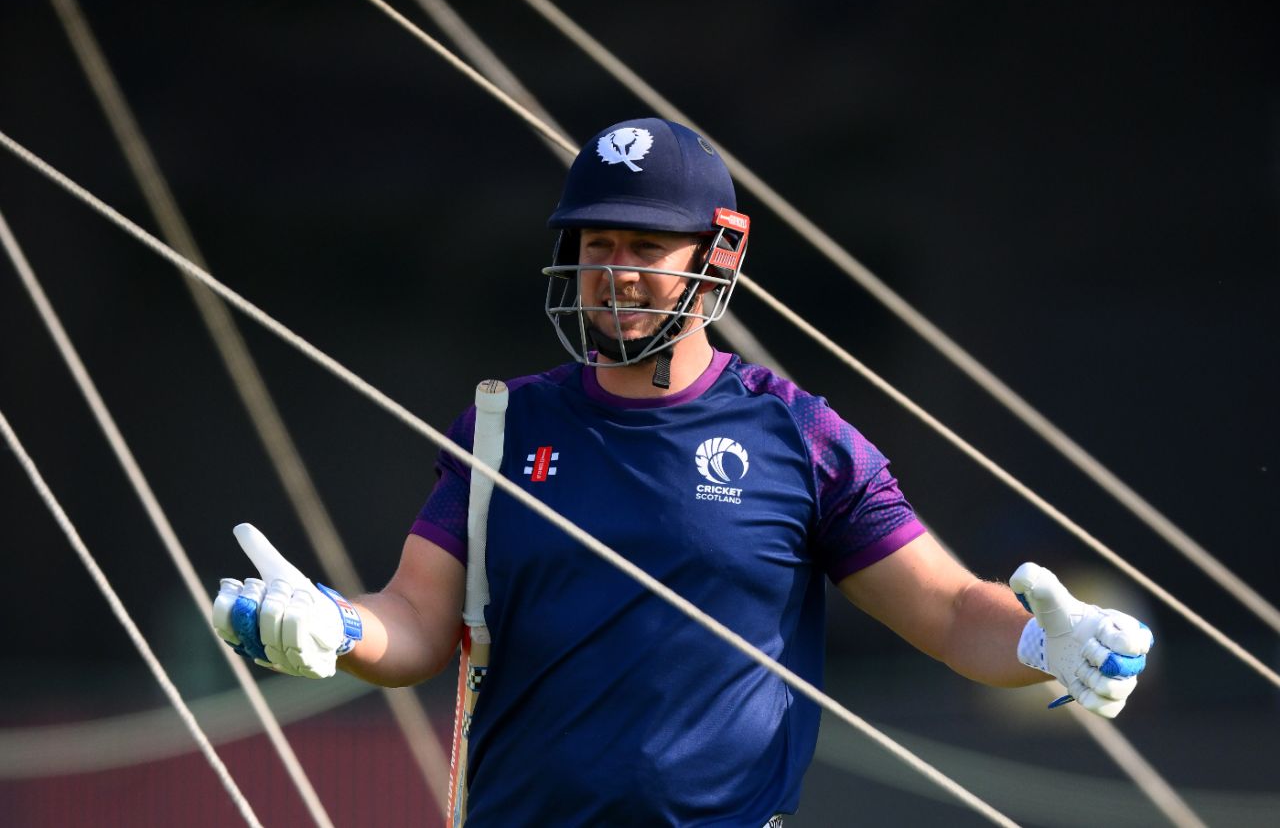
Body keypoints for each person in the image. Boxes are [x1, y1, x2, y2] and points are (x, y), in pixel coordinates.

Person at [212, 118, 1154, 826]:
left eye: (644, 246)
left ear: (717, 256)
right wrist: (334, 627)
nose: (614, 272)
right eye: (596, 243)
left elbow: (948, 610)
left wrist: (1042, 645)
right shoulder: (505, 423)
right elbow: (416, 621)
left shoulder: (800, 436)